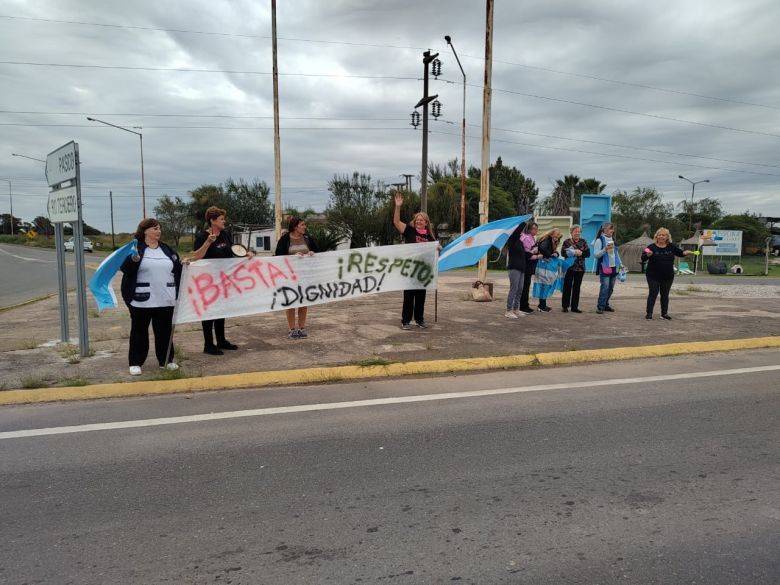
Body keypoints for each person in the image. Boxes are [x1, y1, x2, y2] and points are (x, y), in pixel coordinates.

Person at [120, 218, 182, 376]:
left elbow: (177, 268)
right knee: (139, 332)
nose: (158, 231)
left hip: (165, 299)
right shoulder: (136, 248)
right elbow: (125, 269)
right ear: (145, 231)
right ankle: (135, 362)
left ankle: (166, 360)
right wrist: (134, 260)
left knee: (164, 332)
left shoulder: (167, 249)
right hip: (141, 299)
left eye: (159, 228)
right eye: (155, 228)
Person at [191, 206, 248, 354]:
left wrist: (246, 254)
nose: (224, 221)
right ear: (212, 220)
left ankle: (221, 340)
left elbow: (232, 252)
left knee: (221, 311)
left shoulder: (225, 234)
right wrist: (208, 242)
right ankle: (208, 345)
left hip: (224, 280)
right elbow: (196, 256)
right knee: (209, 313)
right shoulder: (202, 236)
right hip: (208, 283)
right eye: (222, 219)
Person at [393, 191, 437, 330]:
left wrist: (437, 249)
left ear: (426, 223)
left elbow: (434, 253)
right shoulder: (410, 231)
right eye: (417, 219)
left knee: (420, 297)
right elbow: (396, 222)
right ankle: (406, 321)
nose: (419, 221)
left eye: (421, 220)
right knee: (408, 296)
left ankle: (419, 320)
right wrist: (398, 206)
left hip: (423, 272)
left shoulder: (430, 237)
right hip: (410, 270)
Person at [274, 216, 318, 338]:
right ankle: (292, 329)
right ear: (295, 227)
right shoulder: (284, 239)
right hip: (289, 277)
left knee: (304, 302)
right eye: (302, 225)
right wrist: (292, 257)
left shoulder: (308, 239)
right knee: (291, 302)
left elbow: (318, 252)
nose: (305, 227)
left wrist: (312, 253)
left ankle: (302, 328)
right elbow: (278, 256)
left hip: (305, 276)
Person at [641, 227, 692, 320]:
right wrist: (647, 255)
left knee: (665, 295)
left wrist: (686, 253)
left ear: (667, 237)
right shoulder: (651, 247)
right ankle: (649, 313)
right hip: (653, 275)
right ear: (656, 236)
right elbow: (643, 257)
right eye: (659, 235)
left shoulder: (671, 246)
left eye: (663, 235)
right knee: (653, 293)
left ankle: (664, 314)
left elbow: (680, 253)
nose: (661, 236)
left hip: (668, 276)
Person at [592, 222, 623, 314]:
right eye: (610, 228)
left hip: (615, 267)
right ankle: (600, 306)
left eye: (612, 229)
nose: (612, 230)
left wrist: (621, 264)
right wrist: (604, 249)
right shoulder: (599, 240)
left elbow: (616, 254)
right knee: (604, 287)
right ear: (604, 229)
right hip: (605, 267)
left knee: (610, 288)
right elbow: (596, 255)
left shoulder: (613, 239)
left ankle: (605, 305)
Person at [561, 225, 590, 313]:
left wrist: (581, 253)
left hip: (580, 268)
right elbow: (563, 253)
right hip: (569, 267)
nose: (577, 233)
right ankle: (565, 306)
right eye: (575, 231)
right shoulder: (567, 242)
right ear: (571, 232)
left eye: (579, 231)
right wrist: (573, 253)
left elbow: (588, 254)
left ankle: (574, 307)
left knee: (577, 287)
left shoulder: (583, 241)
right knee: (567, 286)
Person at [533, 228, 562, 312]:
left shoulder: (551, 240)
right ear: (552, 233)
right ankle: (542, 306)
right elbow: (542, 248)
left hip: (544, 265)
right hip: (543, 265)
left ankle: (542, 305)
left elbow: (551, 250)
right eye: (556, 235)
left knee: (544, 284)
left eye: (558, 235)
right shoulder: (547, 239)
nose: (557, 237)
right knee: (544, 284)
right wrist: (549, 256)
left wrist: (556, 253)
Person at [504, 224, 527, 319]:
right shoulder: (512, 240)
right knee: (514, 288)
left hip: (521, 268)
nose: (521, 232)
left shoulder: (520, 242)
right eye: (520, 231)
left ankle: (516, 309)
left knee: (520, 289)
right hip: (514, 268)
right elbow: (517, 232)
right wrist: (523, 223)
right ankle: (508, 310)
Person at [518, 222, 540, 314]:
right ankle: (523, 306)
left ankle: (525, 305)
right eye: (534, 229)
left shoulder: (531, 238)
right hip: (527, 264)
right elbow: (527, 253)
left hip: (530, 264)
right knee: (525, 286)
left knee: (526, 285)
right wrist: (535, 253)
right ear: (529, 229)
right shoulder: (526, 238)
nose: (536, 230)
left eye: (536, 229)